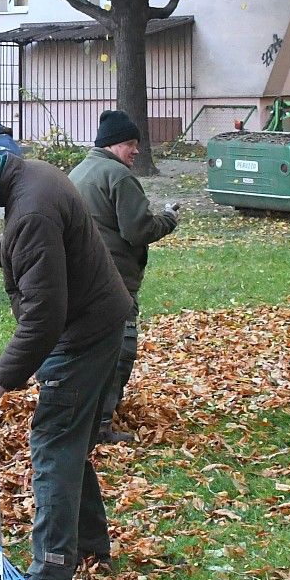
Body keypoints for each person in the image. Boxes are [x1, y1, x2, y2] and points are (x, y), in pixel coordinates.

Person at [0, 136, 133, 580]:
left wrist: (2, 377)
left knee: (53, 445)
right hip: (100, 321)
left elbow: (44, 315)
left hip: (81, 335)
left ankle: (50, 573)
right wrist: (4, 252)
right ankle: (89, 546)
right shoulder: (30, 177)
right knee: (71, 441)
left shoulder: (31, 209)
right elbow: (44, 243)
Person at [69, 110, 179, 444]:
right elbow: (138, 230)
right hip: (114, 281)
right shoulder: (117, 176)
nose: (136, 150)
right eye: (130, 143)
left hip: (81, 279)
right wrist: (169, 219)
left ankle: (83, 417)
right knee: (120, 351)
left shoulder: (78, 172)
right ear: (113, 144)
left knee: (88, 351)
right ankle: (100, 425)